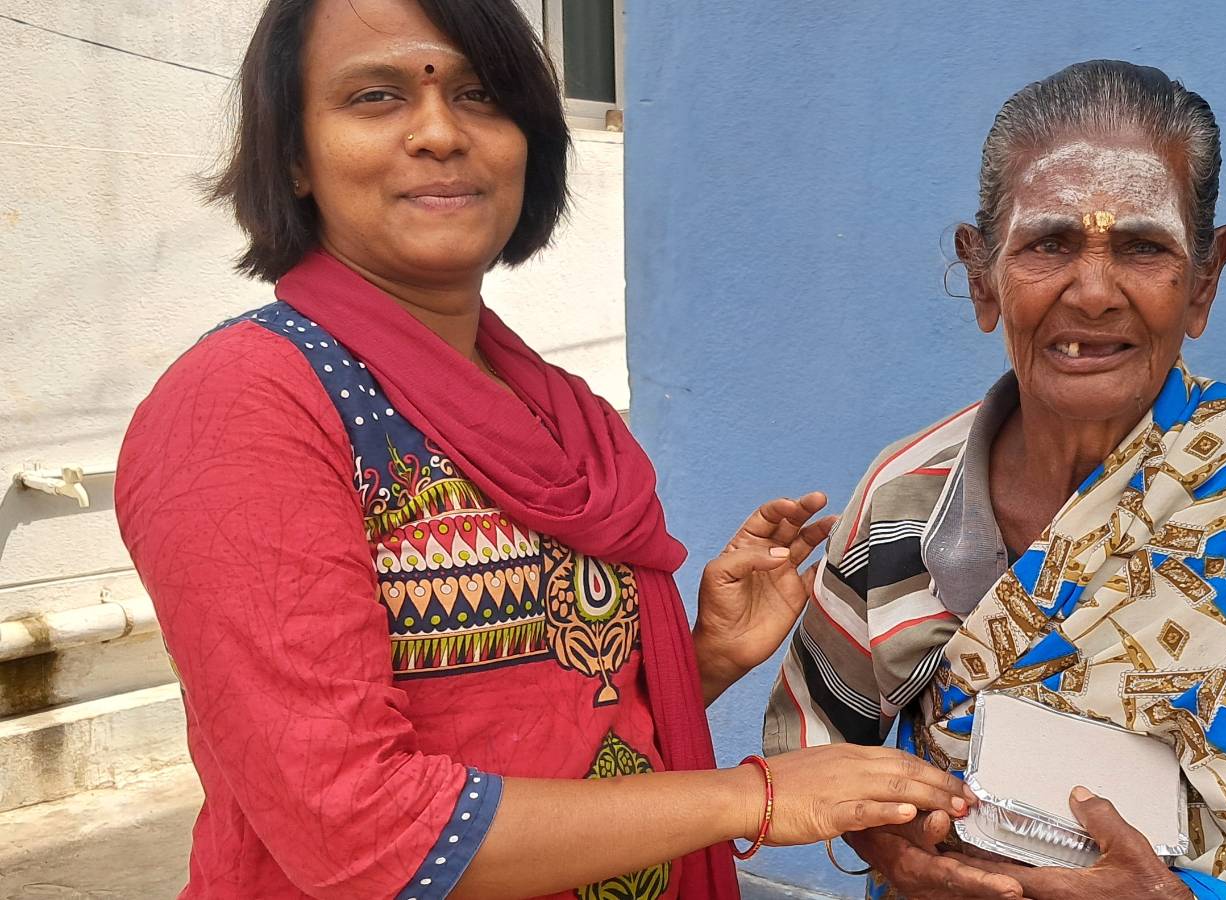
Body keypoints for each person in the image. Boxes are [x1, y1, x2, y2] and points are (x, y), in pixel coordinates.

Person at [114, 1, 974, 897]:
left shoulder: (560, 413)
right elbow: (354, 824)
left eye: (483, 96)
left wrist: (699, 656)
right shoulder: (248, 406)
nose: (441, 133)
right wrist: (747, 799)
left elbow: (557, 732)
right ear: (293, 156)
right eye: (376, 97)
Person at [765, 60, 1226, 900]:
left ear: (1203, 281)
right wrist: (899, 855)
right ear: (982, 277)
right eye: (1047, 245)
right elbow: (819, 757)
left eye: (1142, 249)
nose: (1092, 294)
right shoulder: (907, 495)